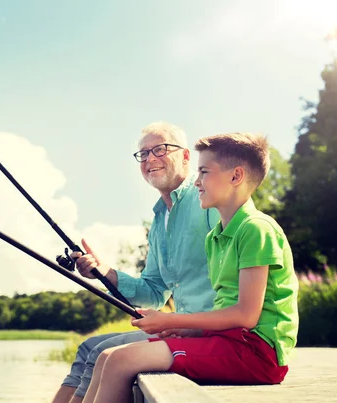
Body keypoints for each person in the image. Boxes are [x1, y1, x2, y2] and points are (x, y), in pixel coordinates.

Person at [82, 132, 299, 403]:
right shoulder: (215, 237)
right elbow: (224, 308)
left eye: (204, 172)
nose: (196, 181)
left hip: (257, 354)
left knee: (121, 360)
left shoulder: (256, 229)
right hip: (227, 343)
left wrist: (171, 319)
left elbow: (246, 316)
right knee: (106, 357)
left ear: (236, 176)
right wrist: (186, 330)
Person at [51, 122, 220, 403]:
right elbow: (154, 292)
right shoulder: (159, 220)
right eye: (143, 154)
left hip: (205, 334)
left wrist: (192, 325)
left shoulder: (208, 201)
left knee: (97, 353)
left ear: (187, 156)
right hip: (179, 330)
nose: (150, 159)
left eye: (160, 149)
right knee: (87, 348)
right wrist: (105, 273)